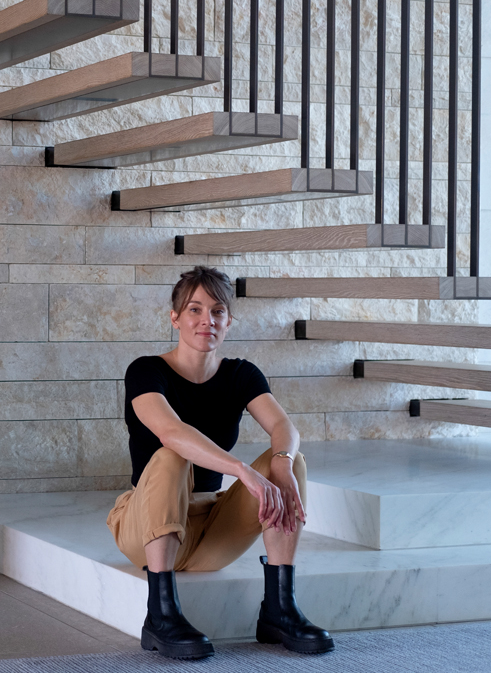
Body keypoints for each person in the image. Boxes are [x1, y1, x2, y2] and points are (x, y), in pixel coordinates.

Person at [106, 266, 334, 659]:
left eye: (217, 311)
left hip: (211, 530)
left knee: (290, 461)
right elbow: (171, 432)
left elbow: (283, 425)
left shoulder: (240, 374)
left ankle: (279, 610)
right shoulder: (145, 371)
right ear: (175, 317)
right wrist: (241, 470)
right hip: (144, 525)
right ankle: (159, 616)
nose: (206, 320)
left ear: (229, 321)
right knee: (171, 455)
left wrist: (279, 462)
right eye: (194, 309)